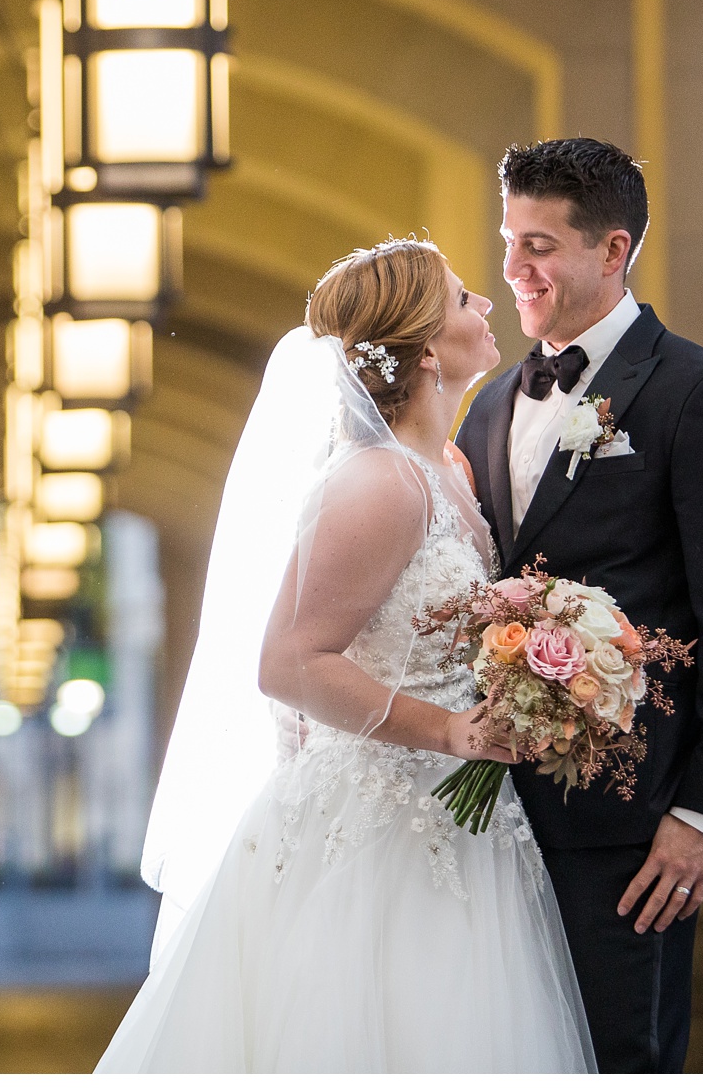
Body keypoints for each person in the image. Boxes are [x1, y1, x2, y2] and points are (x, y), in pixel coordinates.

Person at [97, 238, 595, 1073]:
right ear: (427, 347)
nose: (488, 306)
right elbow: (289, 662)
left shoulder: (449, 472)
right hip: (374, 833)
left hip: (460, 822)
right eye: (467, 297)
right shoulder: (379, 482)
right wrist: (449, 731)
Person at [455, 137, 703, 1072]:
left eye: (540, 247)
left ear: (613, 250)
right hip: (493, 828)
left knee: (619, 1059)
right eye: (509, 242)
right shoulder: (485, 410)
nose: (514, 269)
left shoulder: (698, 393)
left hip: (632, 830)